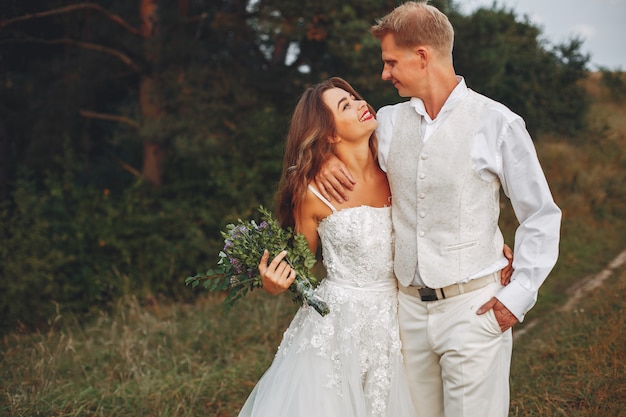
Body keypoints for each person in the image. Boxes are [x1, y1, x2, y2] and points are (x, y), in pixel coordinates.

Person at [314, 2, 562, 417]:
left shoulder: (497, 123)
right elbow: (343, 149)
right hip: (405, 314)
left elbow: (540, 215)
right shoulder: (389, 123)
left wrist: (515, 298)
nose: (384, 74)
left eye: (391, 62)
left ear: (422, 56)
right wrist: (324, 160)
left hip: (474, 309)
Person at [238, 77, 417, 417]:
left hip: (399, 318)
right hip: (337, 325)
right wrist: (274, 284)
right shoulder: (313, 193)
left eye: (355, 98)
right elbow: (298, 266)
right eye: (345, 106)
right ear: (331, 134)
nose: (361, 104)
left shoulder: (397, 171)